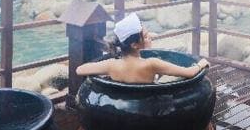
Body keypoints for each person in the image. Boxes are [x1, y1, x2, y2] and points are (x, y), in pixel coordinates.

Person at [75, 13, 209, 84]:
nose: (149, 37)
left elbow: (80, 70)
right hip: (148, 106)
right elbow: (189, 73)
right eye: (145, 36)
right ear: (134, 45)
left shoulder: (111, 65)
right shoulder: (152, 63)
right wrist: (201, 64)